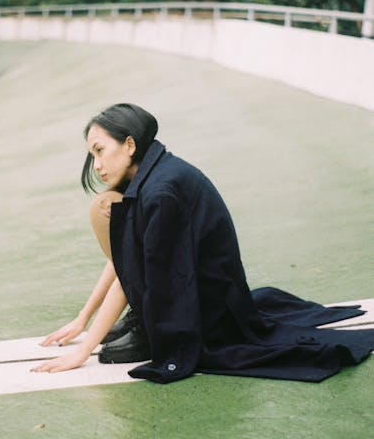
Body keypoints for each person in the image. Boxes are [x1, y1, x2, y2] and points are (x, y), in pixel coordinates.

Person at [32, 103, 373, 383]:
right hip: (196, 286)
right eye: (92, 155)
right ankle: (143, 318)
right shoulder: (154, 174)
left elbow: (128, 272)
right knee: (105, 206)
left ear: (130, 145)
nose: (97, 165)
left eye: (100, 151)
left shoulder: (161, 192)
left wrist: (84, 349)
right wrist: (82, 318)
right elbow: (126, 257)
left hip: (203, 309)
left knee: (104, 207)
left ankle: (148, 325)